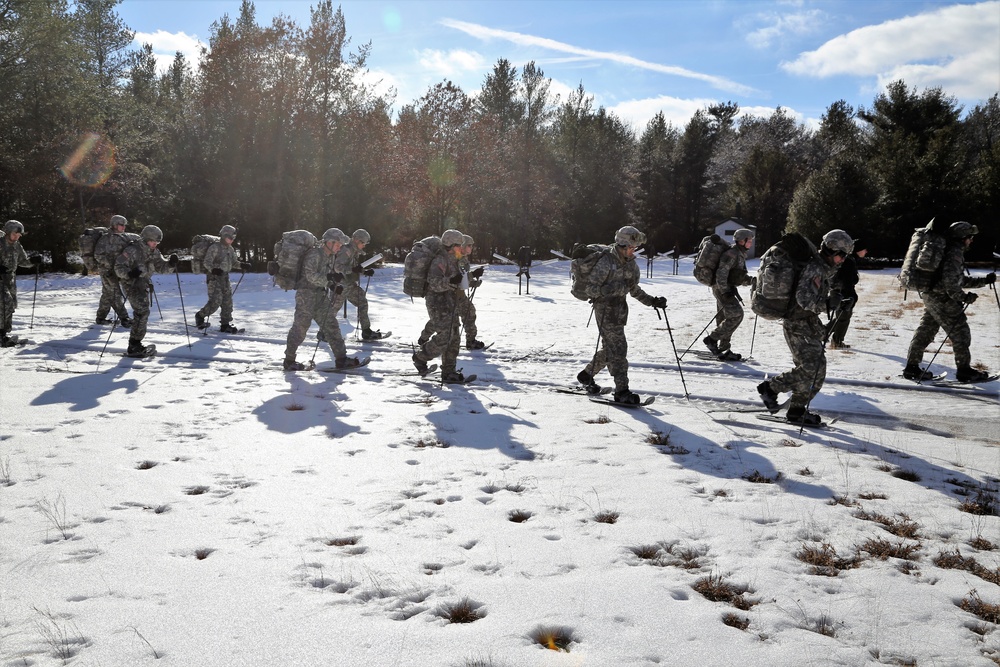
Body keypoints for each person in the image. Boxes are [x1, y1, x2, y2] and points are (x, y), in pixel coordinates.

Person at [757, 229, 854, 425]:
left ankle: (797, 410)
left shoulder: (823, 267)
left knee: (816, 370)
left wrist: (838, 300)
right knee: (812, 367)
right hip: (797, 325)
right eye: (842, 255)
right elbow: (804, 299)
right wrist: (827, 305)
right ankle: (770, 388)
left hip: (807, 324)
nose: (843, 260)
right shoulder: (815, 268)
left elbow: (816, 294)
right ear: (833, 251)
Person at [576, 225, 666, 404]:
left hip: (619, 312)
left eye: (635, 248)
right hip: (604, 311)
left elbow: (634, 290)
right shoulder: (605, 262)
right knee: (619, 350)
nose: (633, 251)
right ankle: (622, 391)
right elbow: (590, 289)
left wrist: (653, 301)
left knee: (610, 350)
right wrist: (608, 289)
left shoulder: (630, 263)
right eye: (631, 248)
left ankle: (586, 375)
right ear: (622, 245)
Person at [903, 222, 996, 382]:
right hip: (942, 298)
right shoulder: (954, 253)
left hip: (931, 295)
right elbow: (950, 283)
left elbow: (956, 280)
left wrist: (983, 281)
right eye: (970, 237)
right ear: (962, 238)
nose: (971, 241)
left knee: (926, 330)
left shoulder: (946, 250)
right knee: (961, 332)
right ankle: (964, 371)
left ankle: (912, 368)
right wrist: (964, 297)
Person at [283, 228, 363, 371]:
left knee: (331, 326)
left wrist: (333, 284)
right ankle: (289, 360)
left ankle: (341, 359)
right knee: (300, 329)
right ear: (329, 242)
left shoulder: (330, 256)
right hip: (306, 296)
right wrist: (329, 280)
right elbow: (310, 276)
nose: (339, 247)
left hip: (320, 296)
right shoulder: (314, 254)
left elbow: (329, 275)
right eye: (337, 244)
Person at [411, 229, 470, 383]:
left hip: (450, 301)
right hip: (437, 302)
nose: (461, 248)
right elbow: (434, 283)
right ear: (451, 244)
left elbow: (459, 279)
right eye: (458, 245)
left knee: (455, 338)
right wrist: (451, 281)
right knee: (445, 337)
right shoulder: (440, 260)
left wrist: (472, 278)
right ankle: (420, 357)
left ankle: (449, 371)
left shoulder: (455, 258)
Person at [113, 225, 178, 357]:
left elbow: (161, 267)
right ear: (146, 238)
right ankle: (134, 344)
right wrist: (130, 273)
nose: (155, 244)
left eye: (157, 242)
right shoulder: (131, 250)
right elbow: (118, 266)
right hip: (131, 283)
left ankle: (135, 343)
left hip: (143, 284)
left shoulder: (154, 252)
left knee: (143, 312)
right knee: (142, 311)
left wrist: (170, 264)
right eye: (153, 241)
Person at [419, 233, 485, 350]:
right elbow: (442, 281)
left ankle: (470, 340)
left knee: (469, 313)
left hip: (457, 295)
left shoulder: (460, 259)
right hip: (442, 297)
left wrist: (472, 280)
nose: (471, 248)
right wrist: (467, 277)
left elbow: (460, 280)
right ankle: (424, 339)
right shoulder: (445, 259)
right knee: (439, 321)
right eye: (468, 245)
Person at [703, 228, 754, 360]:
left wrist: (752, 281)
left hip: (724, 288)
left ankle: (724, 349)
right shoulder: (731, 254)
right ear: (742, 241)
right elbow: (721, 273)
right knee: (737, 315)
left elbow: (736, 276)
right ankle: (711, 339)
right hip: (722, 289)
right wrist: (725, 291)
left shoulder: (739, 253)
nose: (751, 243)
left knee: (723, 318)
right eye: (750, 240)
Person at [194, 225, 249, 333]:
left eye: (233, 238)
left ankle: (225, 324)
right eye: (230, 237)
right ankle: (200, 316)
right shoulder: (215, 247)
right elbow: (207, 262)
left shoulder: (230, 249)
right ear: (224, 236)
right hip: (214, 278)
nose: (232, 240)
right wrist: (213, 269)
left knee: (227, 301)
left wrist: (242, 265)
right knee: (215, 301)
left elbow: (233, 262)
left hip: (225, 277)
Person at [333, 228, 385, 341]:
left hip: (349, 284)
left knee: (362, 302)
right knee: (332, 309)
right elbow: (338, 268)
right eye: (363, 243)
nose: (364, 245)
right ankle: (323, 332)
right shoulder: (345, 250)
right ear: (356, 240)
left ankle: (366, 331)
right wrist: (353, 269)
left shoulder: (354, 251)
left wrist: (364, 271)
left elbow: (354, 268)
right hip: (340, 285)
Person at [1, 220, 42, 347]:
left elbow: (23, 261)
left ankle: (4, 333)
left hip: (10, 279)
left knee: (11, 305)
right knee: (5, 302)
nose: (17, 237)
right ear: (8, 232)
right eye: (15, 234)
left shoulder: (16, 245)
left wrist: (33, 261)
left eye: (19, 235)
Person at [93, 214, 133, 326]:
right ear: (115, 225)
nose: (123, 227)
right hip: (107, 271)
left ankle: (100, 317)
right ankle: (124, 318)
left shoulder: (123, 237)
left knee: (107, 294)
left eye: (124, 225)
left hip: (118, 270)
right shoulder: (105, 238)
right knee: (115, 293)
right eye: (121, 225)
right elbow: (98, 255)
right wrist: (110, 265)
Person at [829, 239, 867, 349]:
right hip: (842, 292)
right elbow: (846, 281)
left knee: (842, 317)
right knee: (842, 317)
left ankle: (835, 340)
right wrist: (850, 295)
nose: (866, 252)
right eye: (864, 250)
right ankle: (835, 340)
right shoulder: (848, 261)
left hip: (839, 291)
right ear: (858, 250)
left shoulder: (849, 259)